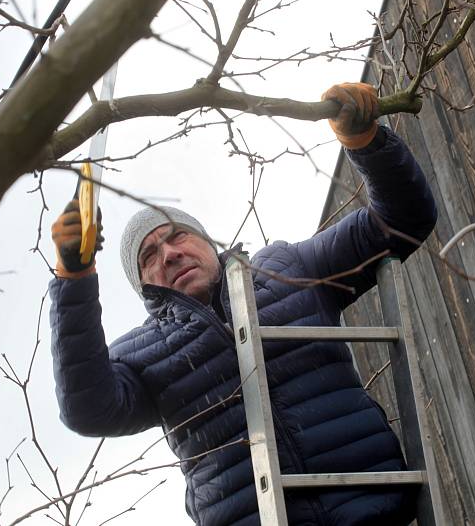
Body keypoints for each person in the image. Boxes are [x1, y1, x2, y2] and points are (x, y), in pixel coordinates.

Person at [49, 82, 437, 526]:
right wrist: (73, 278)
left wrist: (365, 142)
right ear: (144, 287)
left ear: (208, 243)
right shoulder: (138, 355)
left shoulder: (286, 270)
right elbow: (87, 408)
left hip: (373, 511)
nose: (170, 253)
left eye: (178, 235)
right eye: (149, 255)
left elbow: (402, 220)